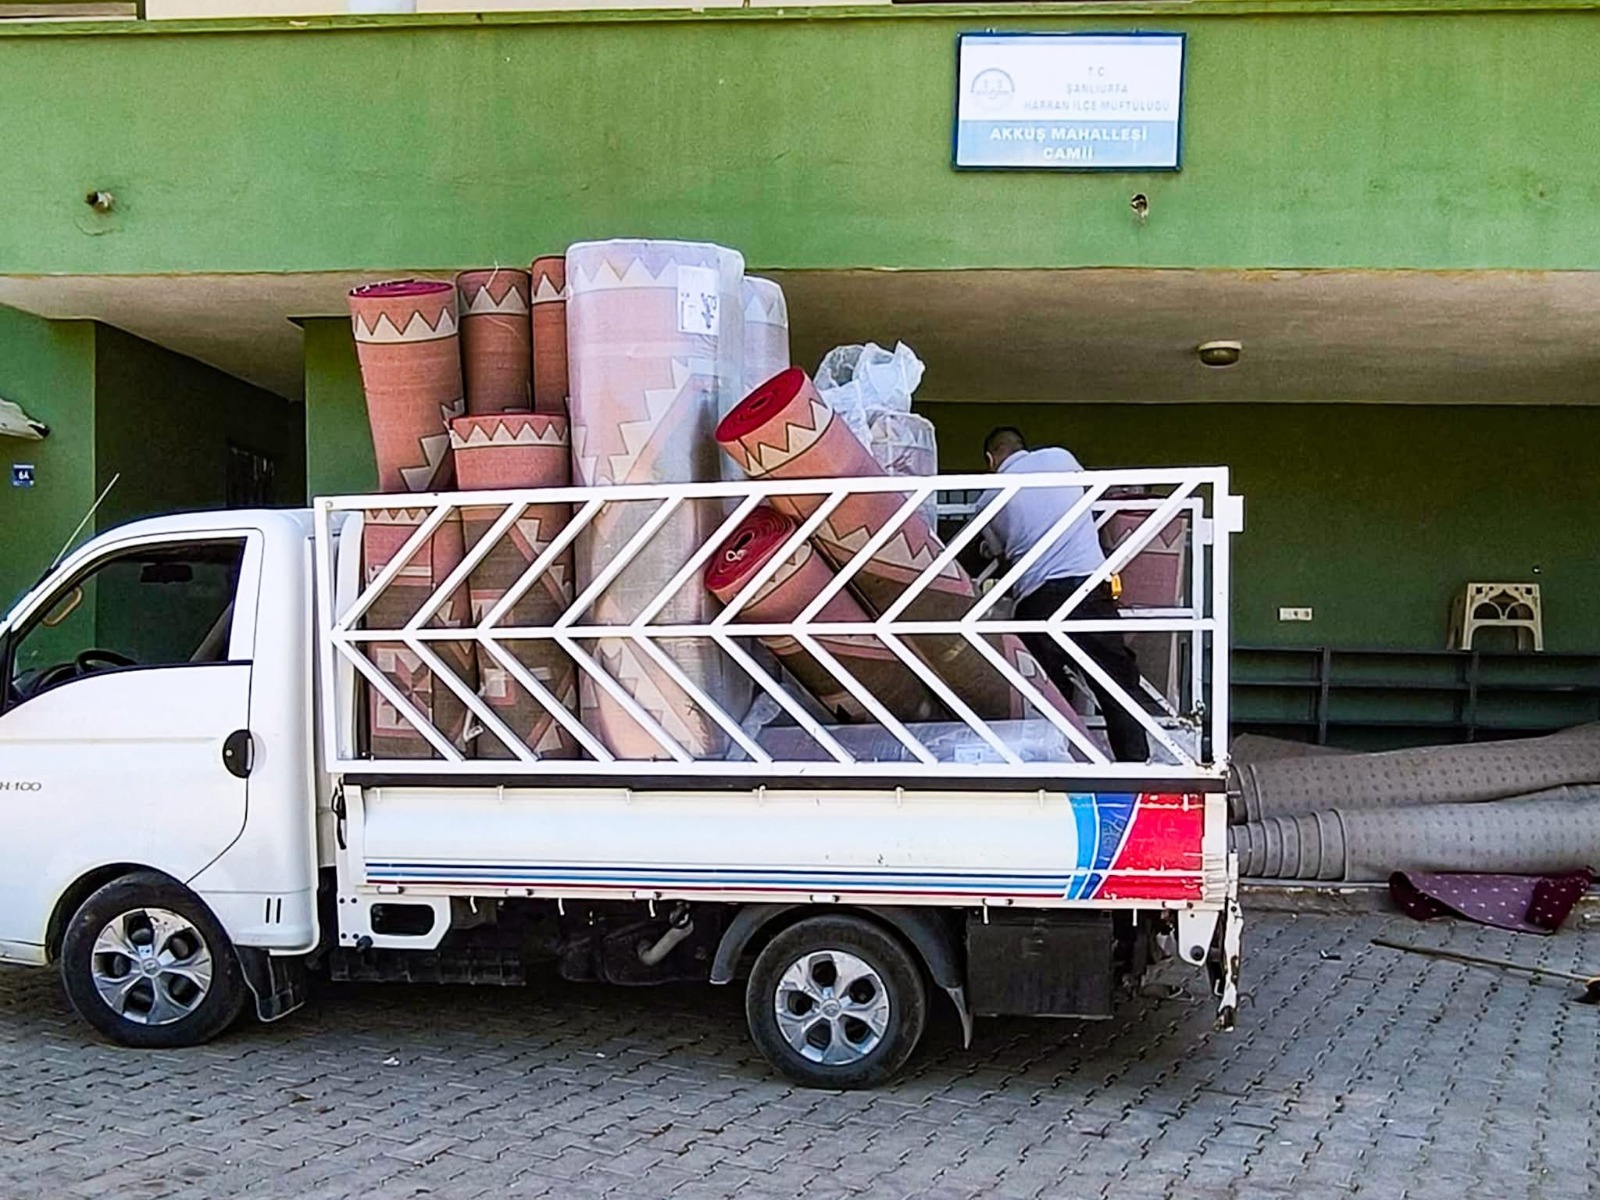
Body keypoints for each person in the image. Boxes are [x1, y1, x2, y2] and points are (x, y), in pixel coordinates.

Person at [977, 426, 1149, 763]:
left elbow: (999, 550)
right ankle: (1136, 766)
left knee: (1045, 694)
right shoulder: (1060, 457)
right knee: (1115, 685)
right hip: (1089, 590)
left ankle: (1057, 771)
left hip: (1038, 601)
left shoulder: (987, 496)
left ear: (990, 459)